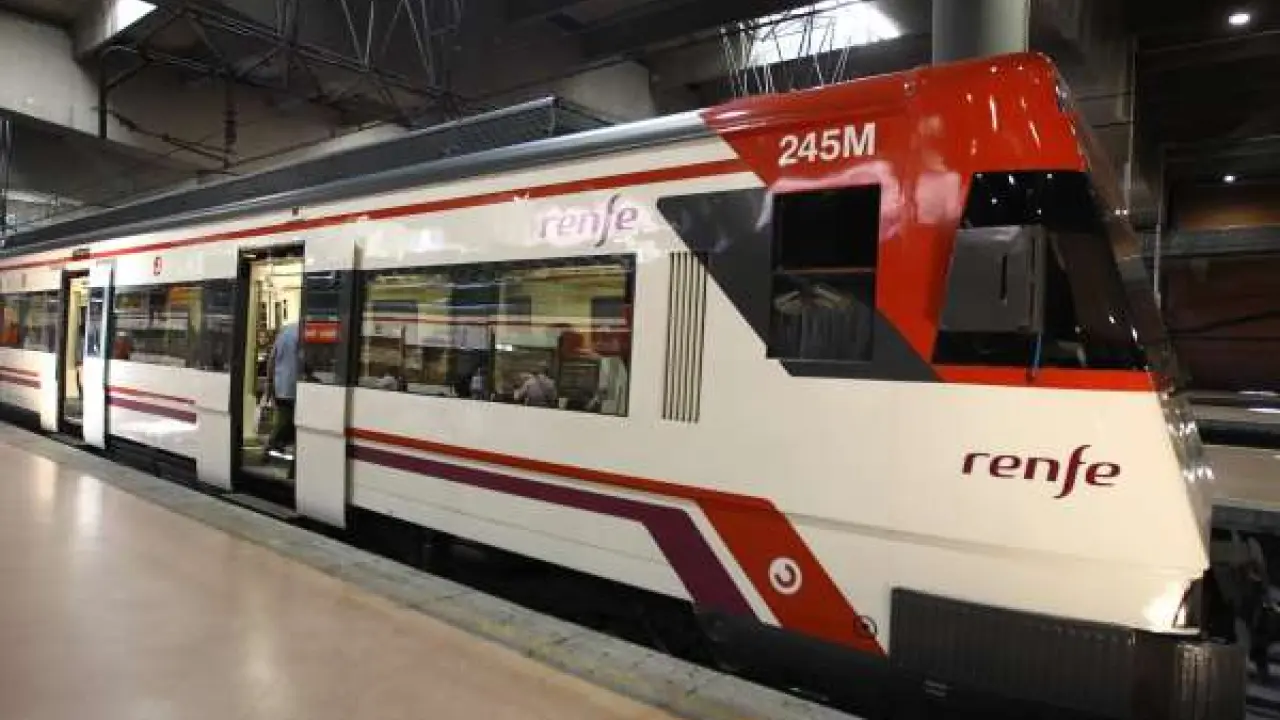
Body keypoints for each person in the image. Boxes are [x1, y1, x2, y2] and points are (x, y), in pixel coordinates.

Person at [265, 323, 300, 459]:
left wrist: (269, 382)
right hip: (294, 386)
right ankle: (271, 447)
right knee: (286, 420)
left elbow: (271, 359)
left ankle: (276, 446)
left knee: (284, 418)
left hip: (280, 384)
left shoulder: (284, 333)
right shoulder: (302, 333)